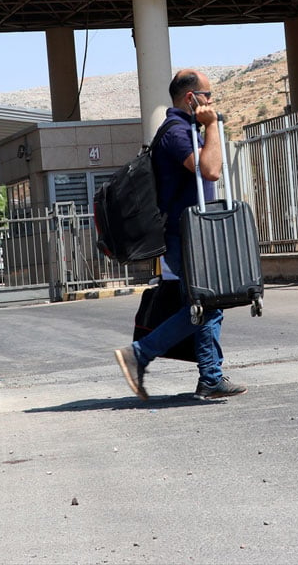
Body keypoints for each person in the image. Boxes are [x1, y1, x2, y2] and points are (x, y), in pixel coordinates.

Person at [114, 69, 247, 401]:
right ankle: (139, 354)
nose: (212, 102)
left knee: (204, 303)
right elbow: (211, 169)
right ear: (192, 98)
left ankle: (211, 378)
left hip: (192, 233)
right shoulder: (176, 132)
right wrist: (213, 125)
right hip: (184, 235)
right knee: (206, 303)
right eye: (208, 95)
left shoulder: (184, 129)